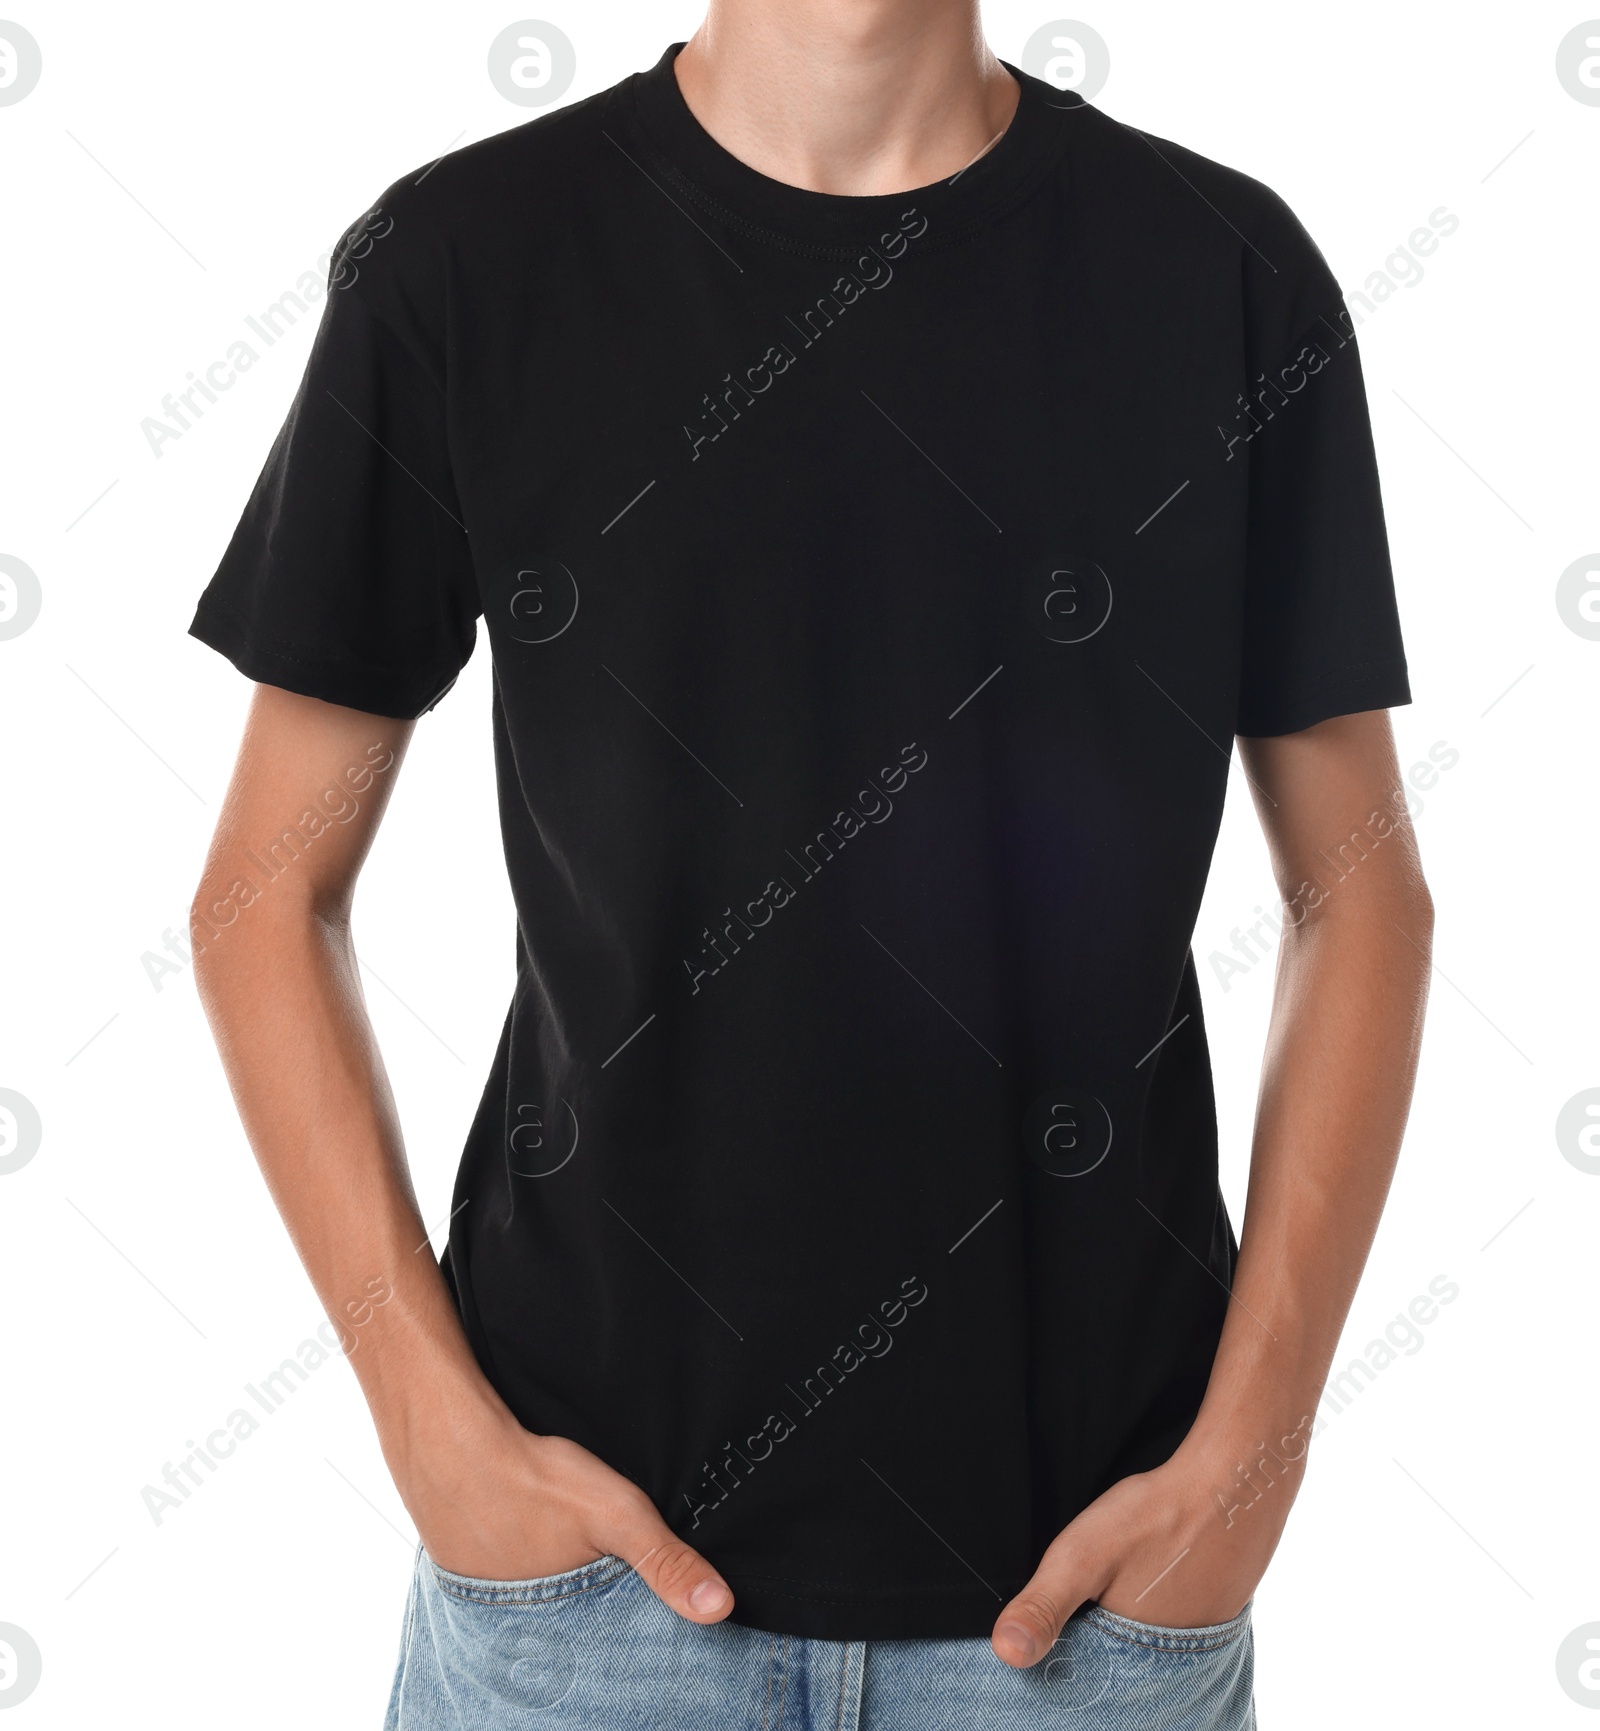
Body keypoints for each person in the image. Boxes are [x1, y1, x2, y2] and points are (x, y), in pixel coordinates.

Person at [187, 3, 1434, 1725]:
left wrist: (1254, 1453)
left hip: (1078, 1610)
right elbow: (264, 893)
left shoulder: (1219, 271)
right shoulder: (466, 261)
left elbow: (1361, 887)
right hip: (582, 1603)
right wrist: (431, 1428)